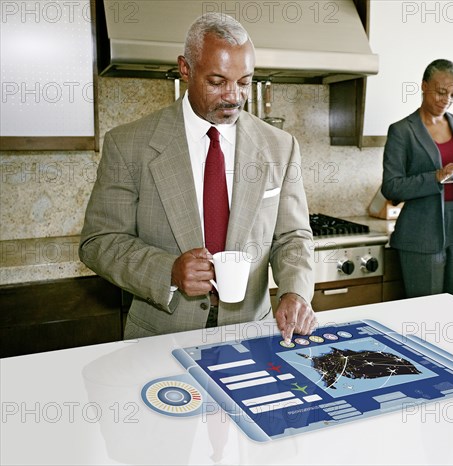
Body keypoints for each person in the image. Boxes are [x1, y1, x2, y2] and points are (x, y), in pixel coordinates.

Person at [79, 13, 316, 342]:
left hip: (252, 333)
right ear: (185, 69)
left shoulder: (280, 146)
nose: (233, 96)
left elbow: (292, 237)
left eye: (244, 81)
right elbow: (99, 242)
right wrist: (169, 271)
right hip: (160, 336)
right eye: (217, 82)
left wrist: (295, 292)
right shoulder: (128, 144)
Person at [381, 59, 453, 301]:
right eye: (441, 92)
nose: (447, 100)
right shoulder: (402, 130)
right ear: (423, 86)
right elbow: (392, 188)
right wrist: (437, 176)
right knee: (426, 316)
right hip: (421, 233)